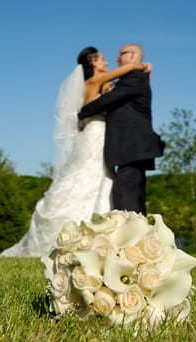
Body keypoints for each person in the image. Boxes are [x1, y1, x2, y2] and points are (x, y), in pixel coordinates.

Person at [0, 46, 151, 257]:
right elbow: (118, 80)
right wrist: (136, 65)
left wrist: (145, 74)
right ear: (93, 63)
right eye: (103, 58)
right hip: (94, 136)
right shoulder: (93, 82)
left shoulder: (106, 83)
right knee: (86, 175)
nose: (109, 61)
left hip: (103, 139)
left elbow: (126, 93)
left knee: (102, 180)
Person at [78, 43, 165, 216]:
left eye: (121, 54)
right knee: (133, 195)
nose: (116, 59)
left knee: (124, 194)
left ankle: (131, 238)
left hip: (133, 148)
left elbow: (107, 100)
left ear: (132, 55)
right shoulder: (132, 78)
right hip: (130, 149)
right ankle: (139, 237)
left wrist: (81, 114)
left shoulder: (134, 77)